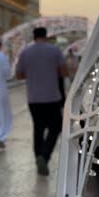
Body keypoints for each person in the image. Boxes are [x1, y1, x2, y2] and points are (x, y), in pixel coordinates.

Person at [16, 27, 67, 176]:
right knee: (56, 127)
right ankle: (44, 156)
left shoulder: (25, 53)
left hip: (34, 98)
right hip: (52, 97)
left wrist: (32, 73)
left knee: (38, 128)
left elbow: (18, 75)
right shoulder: (55, 51)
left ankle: (38, 156)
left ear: (34, 37)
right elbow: (63, 72)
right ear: (46, 36)